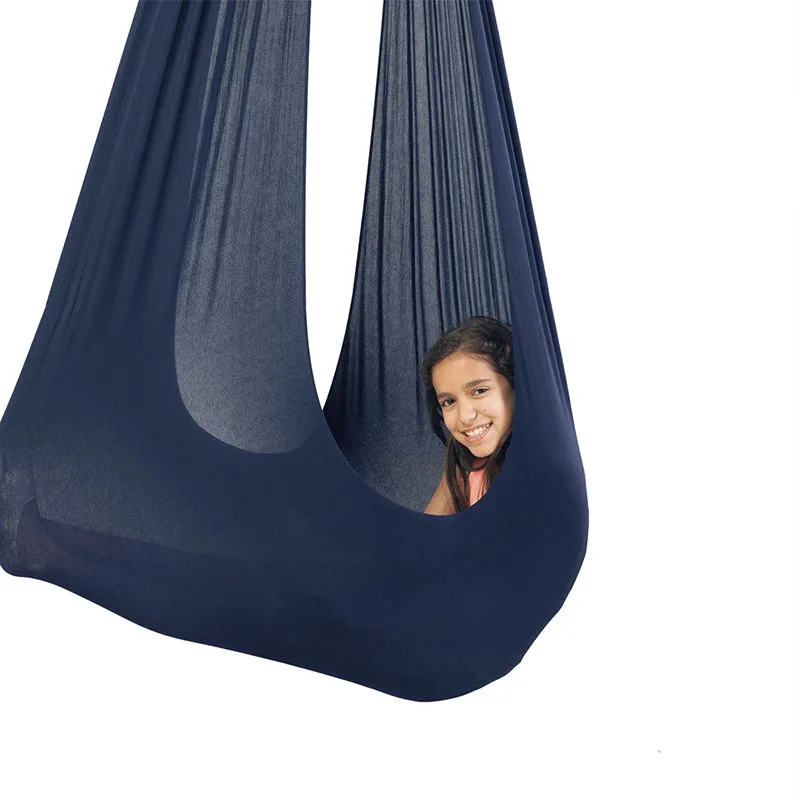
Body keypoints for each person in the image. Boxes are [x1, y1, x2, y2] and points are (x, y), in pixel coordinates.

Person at [420, 316, 514, 514]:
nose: (465, 416)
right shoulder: (464, 469)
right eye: (449, 401)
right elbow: (427, 527)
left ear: (516, 386)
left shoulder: (541, 458)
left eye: (479, 391)